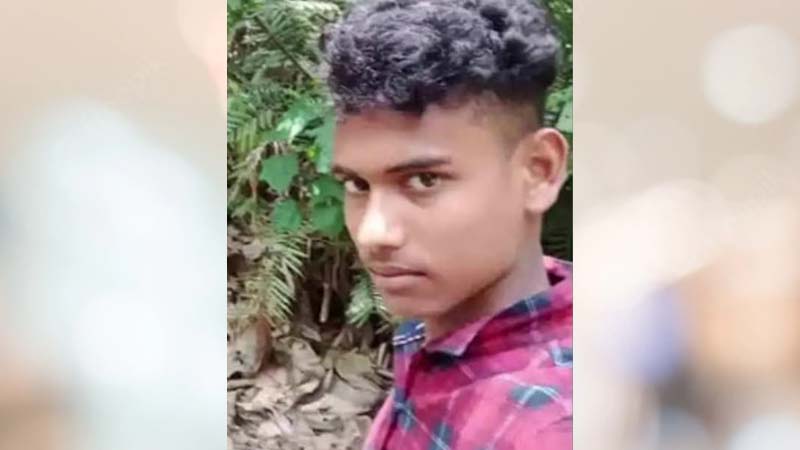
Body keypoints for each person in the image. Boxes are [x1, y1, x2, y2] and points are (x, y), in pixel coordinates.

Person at [321, 0, 572, 448]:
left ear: (539, 171)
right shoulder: (441, 329)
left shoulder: (549, 427)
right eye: (357, 184)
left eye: (424, 180)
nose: (374, 233)